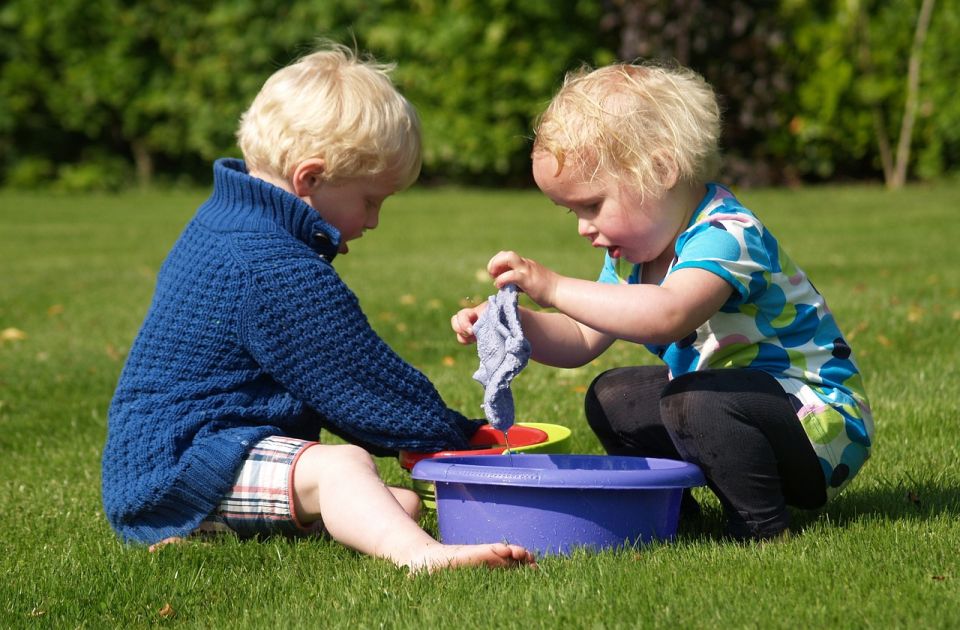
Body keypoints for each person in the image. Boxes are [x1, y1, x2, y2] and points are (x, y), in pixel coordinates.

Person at [101, 43, 535, 572]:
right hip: (182, 465)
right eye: (371, 200)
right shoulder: (270, 265)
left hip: (190, 457)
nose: (373, 220)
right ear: (309, 179)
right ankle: (423, 558)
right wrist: (455, 437)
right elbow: (360, 382)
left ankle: (207, 533)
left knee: (396, 504)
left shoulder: (229, 222)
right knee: (344, 467)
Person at [451, 61, 874, 540]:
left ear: (660, 170)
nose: (582, 227)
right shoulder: (635, 258)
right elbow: (580, 337)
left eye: (592, 205)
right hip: (728, 408)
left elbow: (667, 315)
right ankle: (670, 513)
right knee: (614, 396)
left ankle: (760, 527)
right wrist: (509, 322)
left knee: (690, 400)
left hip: (816, 426)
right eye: (571, 211)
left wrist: (552, 286)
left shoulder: (727, 233)